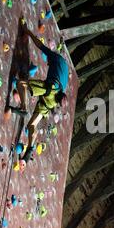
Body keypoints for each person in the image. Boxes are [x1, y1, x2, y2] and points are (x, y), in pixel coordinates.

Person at [11, 22, 69, 163]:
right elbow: (61, 93)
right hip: (51, 102)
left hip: (50, 90)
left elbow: (39, 45)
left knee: (20, 84)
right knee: (32, 125)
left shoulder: (55, 58)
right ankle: (29, 150)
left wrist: (28, 32)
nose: (47, 63)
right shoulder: (63, 71)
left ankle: (24, 107)